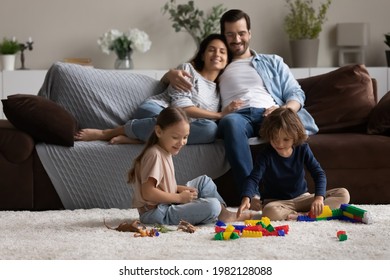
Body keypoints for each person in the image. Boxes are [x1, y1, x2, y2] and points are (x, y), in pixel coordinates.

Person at [162, 9, 319, 209]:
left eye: (241, 33)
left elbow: (296, 93)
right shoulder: (218, 62)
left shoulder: (272, 61)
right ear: (223, 35)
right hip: (237, 116)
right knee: (228, 122)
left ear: (249, 33)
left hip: (270, 113)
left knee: (288, 126)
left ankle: (298, 196)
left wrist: (283, 111)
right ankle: (251, 196)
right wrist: (169, 74)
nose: (236, 39)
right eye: (230, 34)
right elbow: (187, 75)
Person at [74, 33, 235, 145]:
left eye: (222, 51)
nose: (217, 54)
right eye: (211, 49)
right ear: (202, 55)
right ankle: (106, 133)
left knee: (210, 130)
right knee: (171, 123)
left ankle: (138, 140)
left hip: (180, 130)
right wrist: (219, 114)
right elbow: (180, 106)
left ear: (228, 59)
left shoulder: (220, 91)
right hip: (157, 110)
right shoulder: (187, 70)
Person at [128, 106, 257, 225]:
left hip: (165, 204)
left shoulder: (164, 151)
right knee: (213, 206)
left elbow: (161, 186)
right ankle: (219, 212)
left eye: (185, 137)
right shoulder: (154, 154)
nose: (181, 142)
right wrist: (179, 197)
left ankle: (223, 214)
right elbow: (148, 192)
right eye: (175, 137)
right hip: (156, 213)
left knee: (204, 182)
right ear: (159, 132)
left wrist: (178, 189)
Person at [236, 107, 350, 221]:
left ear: (295, 136)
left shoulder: (303, 148)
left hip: (302, 198)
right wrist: (247, 198)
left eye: (285, 139)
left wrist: (319, 198)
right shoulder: (266, 155)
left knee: (343, 194)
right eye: (275, 138)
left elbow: (318, 173)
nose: (279, 144)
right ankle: (306, 214)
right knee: (269, 212)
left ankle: (302, 214)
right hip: (278, 203)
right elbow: (253, 179)